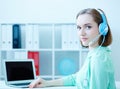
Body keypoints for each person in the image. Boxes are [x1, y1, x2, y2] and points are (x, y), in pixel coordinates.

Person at [29, 8, 116, 89]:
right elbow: (76, 78)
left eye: (88, 27)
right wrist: (47, 83)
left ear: (102, 29)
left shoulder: (99, 57)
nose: (81, 33)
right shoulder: (95, 53)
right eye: (79, 27)